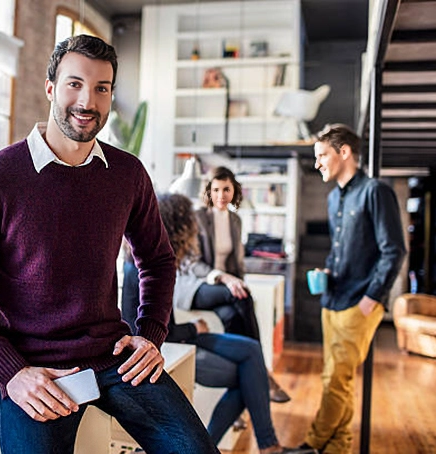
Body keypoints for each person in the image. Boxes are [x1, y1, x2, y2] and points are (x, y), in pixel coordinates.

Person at [0, 35, 219, 454]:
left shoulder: (127, 174)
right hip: (33, 367)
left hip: (114, 356)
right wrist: (12, 372)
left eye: (101, 88)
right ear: (50, 88)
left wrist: (151, 334)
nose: (87, 101)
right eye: (74, 84)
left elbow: (158, 259)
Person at [122, 193, 317, 454]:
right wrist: (194, 328)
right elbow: (147, 332)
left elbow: (164, 320)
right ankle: (251, 447)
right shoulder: (138, 268)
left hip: (181, 337)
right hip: (170, 347)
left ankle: (256, 446)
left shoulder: (161, 262)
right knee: (249, 377)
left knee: (250, 350)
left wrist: (191, 329)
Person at [299, 124, 406, 454]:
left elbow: (394, 250)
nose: (317, 164)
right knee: (336, 380)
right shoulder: (333, 199)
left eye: (322, 156)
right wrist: (328, 268)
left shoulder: (376, 191)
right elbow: (339, 247)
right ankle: (338, 447)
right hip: (332, 297)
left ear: (344, 152)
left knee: (335, 380)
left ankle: (313, 443)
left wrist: (371, 298)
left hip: (359, 302)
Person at [183, 166, 290, 403]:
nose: (221, 195)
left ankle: (241, 384)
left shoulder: (234, 220)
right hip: (198, 284)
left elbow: (237, 263)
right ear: (209, 192)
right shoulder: (199, 217)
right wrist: (224, 278)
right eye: (217, 190)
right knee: (243, 299)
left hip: (223, 290)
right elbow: (193, 263)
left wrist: (238, 281)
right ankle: (262, 371)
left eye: (226, 189)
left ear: (234, 191)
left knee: (232, 316)